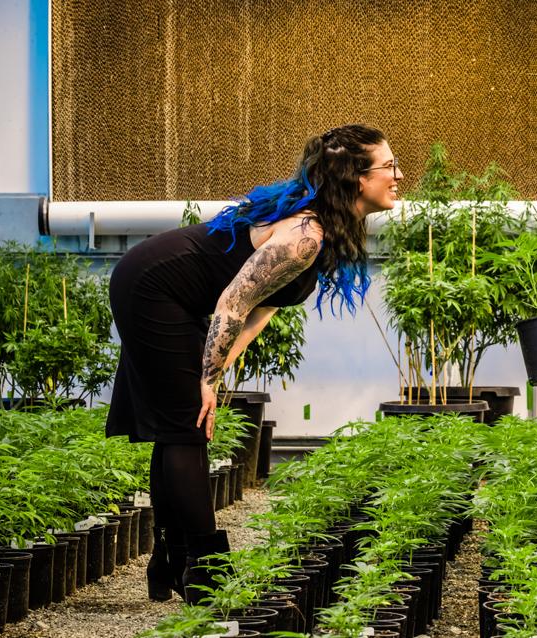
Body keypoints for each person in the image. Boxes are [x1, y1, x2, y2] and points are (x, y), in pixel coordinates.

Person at [105, 124, 403, 602]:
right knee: (188, 426)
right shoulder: (304, 235)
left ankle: (169, 563)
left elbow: (261, 311)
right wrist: (205, 380)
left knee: (177, 428)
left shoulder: (325, 231)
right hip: (151, 286)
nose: (398, 174)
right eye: (388, 166)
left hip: (164, 290)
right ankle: (206, 575)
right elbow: (230, 304)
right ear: (354, 177)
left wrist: (215, 372)